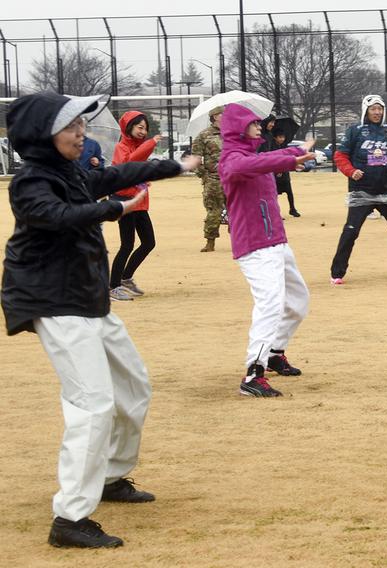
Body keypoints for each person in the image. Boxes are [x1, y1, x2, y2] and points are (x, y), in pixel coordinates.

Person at [2, 92, 200, 548]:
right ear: (43, 136)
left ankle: (111, 476)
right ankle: (69, 519)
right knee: (92, 405)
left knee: (133, 388)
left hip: (89, 299)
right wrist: (118, 209)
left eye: (81, 126)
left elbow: (118, 173)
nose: (81, 133)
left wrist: (176, 166)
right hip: (53, 303)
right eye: (71, 127)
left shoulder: (70, 171)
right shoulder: (30, 181)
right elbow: (58, 217)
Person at [217, 103, 315, 397]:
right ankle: (253, 373)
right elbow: (247, 166)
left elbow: (266, 158)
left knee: (299, 301)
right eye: (253, 123)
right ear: (237, 128)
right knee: (270, 305)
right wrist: (289, 159)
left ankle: (274, 352)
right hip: (255, 246)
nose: (259, 126)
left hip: (276, 241)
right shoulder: (231, 159)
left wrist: (296, 152)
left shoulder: (252, 155)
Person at [330, 94, 387, 285]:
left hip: (386, 191)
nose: (377, 112)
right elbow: (340, 156)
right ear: (366, 110)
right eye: (373, 109)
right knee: (351, 231)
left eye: (380, 109)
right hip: (361, 191)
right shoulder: (354, 131)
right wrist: (351, 171)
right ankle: (337, 272)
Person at [108, 111, 161, 300]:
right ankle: (112, 286)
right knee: (127, 245)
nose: (143, 131)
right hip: (126, 202)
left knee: (149, 242)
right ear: (129, 127)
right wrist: (151, 143)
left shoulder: (140, 147)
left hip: (140, 202)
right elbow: (130, 164)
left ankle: (126, 277)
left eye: (145, 128)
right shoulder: (121, 147)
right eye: (139, 127)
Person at [192, 105, 226, 252]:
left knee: (239, 210)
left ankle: (241, 239)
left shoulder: (233, 133)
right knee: (214, 210)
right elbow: (195, 159)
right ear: (215, 117)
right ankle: (210, 241)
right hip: (214, 179)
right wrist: (204, 175)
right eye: (222, 114)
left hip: (234, 177)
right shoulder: (203, 135)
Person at [272, 129, 301, 218]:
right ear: (275, 138)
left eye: (283, 137)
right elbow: (274, 160)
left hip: (285, 173)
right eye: (280, 137)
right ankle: (276, 212)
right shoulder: (272, 147)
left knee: (289, 192)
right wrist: (278, 170)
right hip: (275, 174)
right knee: (274, 195)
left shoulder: (284, 146)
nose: (282, 139)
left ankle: (292, 209)